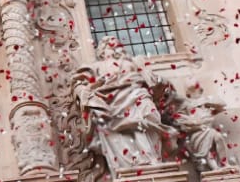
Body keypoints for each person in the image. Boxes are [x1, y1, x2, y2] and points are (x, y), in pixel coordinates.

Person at [73, 37, 175, 171]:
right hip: (111, 103)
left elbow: (154, 81)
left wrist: (155, 79)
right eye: (109, 46)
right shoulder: (95, 67)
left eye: (116, 46)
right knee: (126, 128)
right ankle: (134, 163)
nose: (114, 49)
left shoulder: (133, 63)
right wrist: (90, 95)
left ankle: (151, 158)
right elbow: (79, 84)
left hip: (137, 94)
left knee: (144, 123)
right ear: (102, 52)